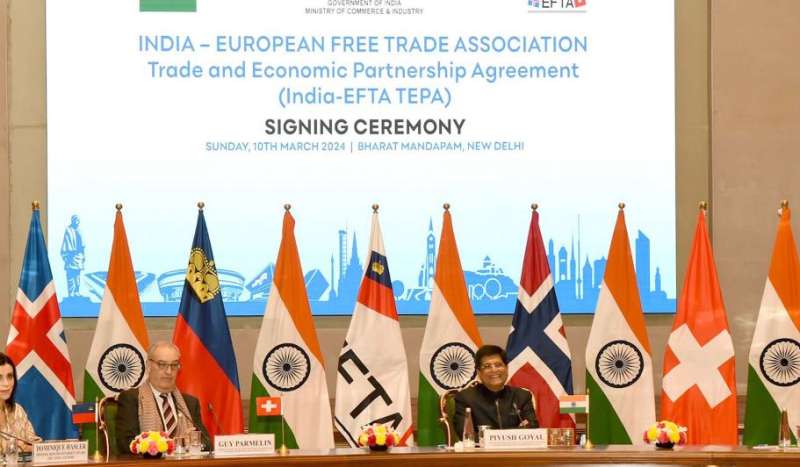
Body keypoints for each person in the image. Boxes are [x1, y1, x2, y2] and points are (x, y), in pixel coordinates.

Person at [115, 342, 210, 453]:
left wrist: (195, 441)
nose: (169, 371)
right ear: (148, 366)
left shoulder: (189, 403)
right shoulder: (131, 399)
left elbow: (207, 443)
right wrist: (165, 445)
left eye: (174, 365)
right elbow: (126, 445)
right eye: (162, 364)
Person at [453, 344, 538, 438]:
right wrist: (513, 433)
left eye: (498, 365)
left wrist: (492, 436)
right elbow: (466, 434)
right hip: (482, 448)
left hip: (516, 448)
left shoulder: (522, 396)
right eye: (487, 366)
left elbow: (532, 429)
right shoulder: (466, 398)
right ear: (479, 372)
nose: (494, 370)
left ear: (506, 368)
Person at [0, 353, 41, 452]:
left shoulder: (17, 411)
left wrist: (24, 447)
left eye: (10, 376)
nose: (6, 383)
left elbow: (39, 447)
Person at [60, 214, 85, 297]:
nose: (77, 222)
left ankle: (77, 291)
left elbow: (82, 245)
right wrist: (66, 255)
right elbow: (66, 243)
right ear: (72, 221)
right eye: (75, 220)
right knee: (70, 275)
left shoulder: (80, 230)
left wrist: (83, 255)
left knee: (77, 275)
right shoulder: (68, 230)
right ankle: (71, 293)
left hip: (78, 256)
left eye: (78, 220)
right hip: (70, 256)